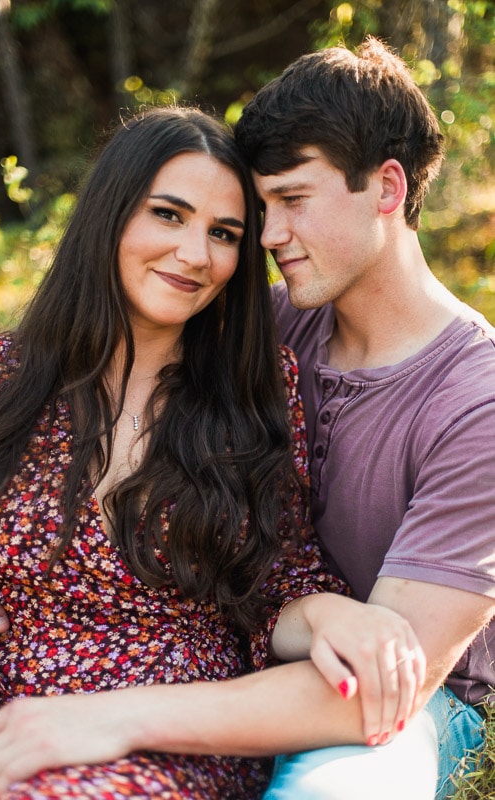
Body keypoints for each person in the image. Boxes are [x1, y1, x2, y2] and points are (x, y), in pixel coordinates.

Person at [0, 105, 423, 799]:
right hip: (1, 714)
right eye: (169, 215)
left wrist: (330, 612)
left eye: (223, 234)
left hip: (167, 743)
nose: (194, 254)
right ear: (110, 213)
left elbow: (279, 584)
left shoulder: (255, 392)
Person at [232, 36, 495, 800]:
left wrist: (121, 718)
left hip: (411, 708)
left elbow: (384, 685)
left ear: (385, 188)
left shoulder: (475, 400)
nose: (269, 237)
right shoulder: (267, 327)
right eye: (260, 209)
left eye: (291, 201)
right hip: (245, 656)